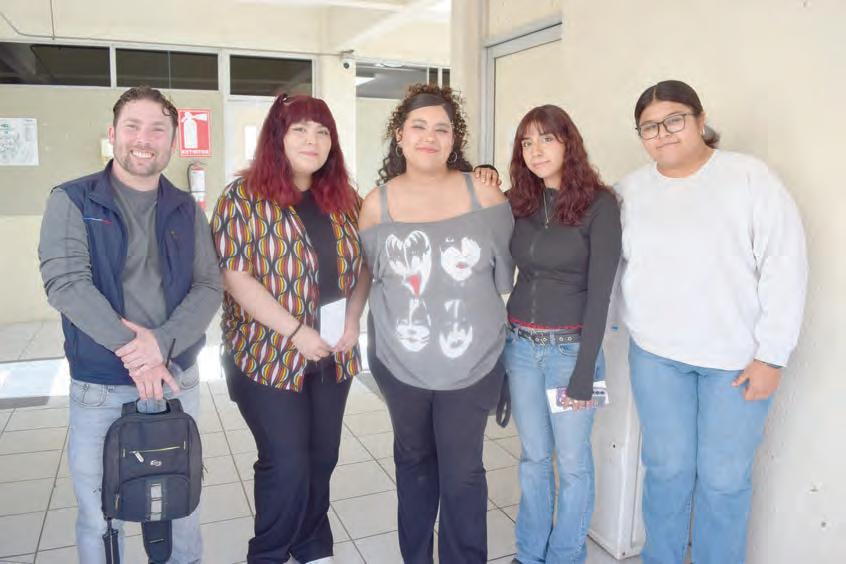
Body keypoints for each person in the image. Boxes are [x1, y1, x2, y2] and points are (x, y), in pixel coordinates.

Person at [617, 80, 808, 564]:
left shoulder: (748, 178)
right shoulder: (629, 191)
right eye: (649, 127)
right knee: (666, 471)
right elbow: (606, 265)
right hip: (656, 356)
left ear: (701, 120)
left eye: (674, 120)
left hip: (735, 362)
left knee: (724, 481)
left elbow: (785, 265)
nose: (663, 133)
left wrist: (772, 356)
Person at [38, 85, 223, 563]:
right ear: (113, 133)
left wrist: (160, 345)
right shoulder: (73, 199)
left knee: (181, 508)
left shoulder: (185, 208)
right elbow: (66, 285)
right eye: (133, 126)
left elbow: (209, 286)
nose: (144, 139)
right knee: (101, 516)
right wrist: (137, 353)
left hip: (176, 380)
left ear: (172, 142)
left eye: (158, 129)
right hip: (101, 387)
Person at [358, 83, 514, 564]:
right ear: (400, 136)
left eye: (442, 129)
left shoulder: (484, 195)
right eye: (419, 127)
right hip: (399, 364)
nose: (430, 137)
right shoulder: (376, 204)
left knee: (462, 474)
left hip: (473, 364)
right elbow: (372, 277)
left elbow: (505, 275)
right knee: (414, 465)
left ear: (454, 139)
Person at [211, 93, 369, 564]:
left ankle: (311, 543)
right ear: (277, 137)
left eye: (322, 131)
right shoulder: (242, 198)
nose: (311, 140)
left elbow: (365, 265)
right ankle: (269, 552)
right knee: (286, 462)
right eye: (299, 129)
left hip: (333, 352)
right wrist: (296, 331)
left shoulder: (345, 199)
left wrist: (355, 319)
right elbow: (234, 276)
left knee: (323, 457)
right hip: (267, 355)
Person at [503, 105, 621, 563]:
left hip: (570, 352)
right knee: (534, 459)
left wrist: (585, 369)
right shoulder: (519, 202)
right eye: (527, 142)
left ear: (568, 142)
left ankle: (566, 555)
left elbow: (601, 293)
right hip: (520, 349)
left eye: (546, 139)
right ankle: (529, 553)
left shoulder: (600, 204)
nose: (536, 150)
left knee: (572, 464)